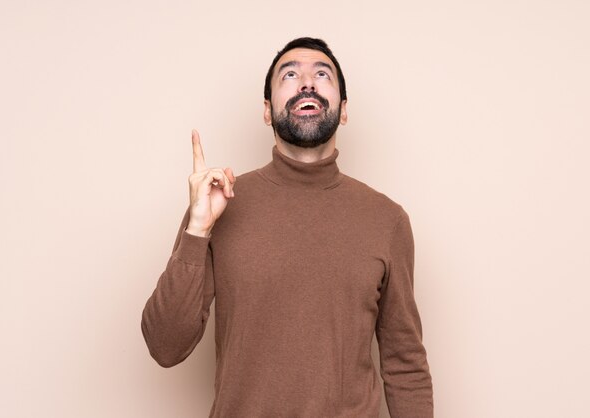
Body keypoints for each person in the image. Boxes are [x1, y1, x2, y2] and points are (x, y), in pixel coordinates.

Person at [141, 37, 434, 418]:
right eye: (290, 75)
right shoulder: (218, 204)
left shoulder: (387, 220)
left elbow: (405, 364)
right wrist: (196, 231)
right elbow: (165, 346)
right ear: (267, 110)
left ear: (344, 110)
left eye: (322, 74)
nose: (307, 83)